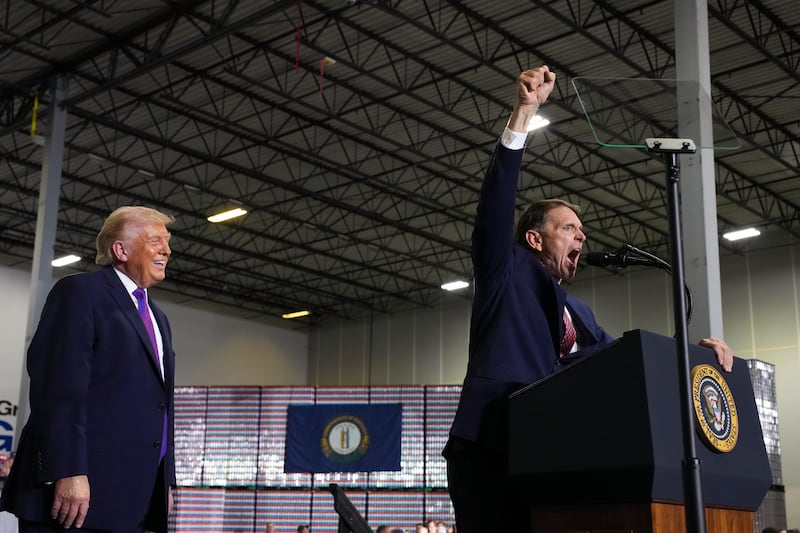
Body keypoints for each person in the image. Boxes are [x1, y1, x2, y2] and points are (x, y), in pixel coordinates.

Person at [442, 66, 735, 533]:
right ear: (535, 240)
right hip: (490, 446)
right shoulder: (505, 266)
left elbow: (623, 361)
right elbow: (496, 202)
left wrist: (686, 355)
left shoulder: (578, 313)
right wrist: (523, 113)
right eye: (569, 228)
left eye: (582, 230)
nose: (582, 236)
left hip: (550, 456)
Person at [0, 206, 178, 533]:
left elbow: (161, 407)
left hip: (133, 499)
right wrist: (67, 470)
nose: (167, 250)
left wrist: (164, 481)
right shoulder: (81, 293)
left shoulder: (158, 318)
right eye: (156, 241)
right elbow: (58, 390)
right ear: (120, 249)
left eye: (167, 242)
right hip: (75, 496)